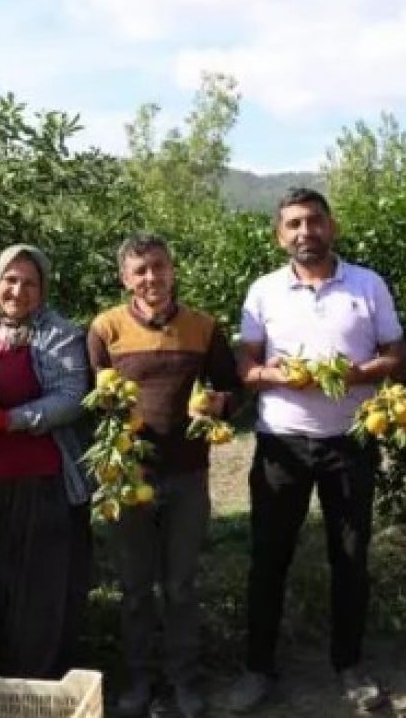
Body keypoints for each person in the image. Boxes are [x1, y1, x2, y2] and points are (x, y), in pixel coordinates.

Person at [226, 188, 406, 714]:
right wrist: (279, 376)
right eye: (293, 225)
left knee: (350, 559)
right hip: (281, 445)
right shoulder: (263, 292)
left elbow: (397, 355)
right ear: (279, 235)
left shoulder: (367, 284)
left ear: (332, 226)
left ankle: (349, 666)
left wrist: (356, 374)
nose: (304, 232)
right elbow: (246, 369)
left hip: (349, 442)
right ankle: (258, 669)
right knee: (268, 559)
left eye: (313, 221)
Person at [86, 232, 241, 718]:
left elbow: (233, 390)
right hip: (128, 478)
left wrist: (220, 404)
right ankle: (138, 681)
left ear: (172, 269)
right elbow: (88, 401)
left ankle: (185, 681)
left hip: (188, 476)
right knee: (134, 589)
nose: (151, 277)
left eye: (159, 266)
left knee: (180, 586)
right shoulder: (105, 329)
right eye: (140, 270)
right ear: (124, 278)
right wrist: (107, 410)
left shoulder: (202, 327)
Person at [0, 243, 93, 680]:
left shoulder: (60, 334)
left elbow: (70, 399)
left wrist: (8, 420)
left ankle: (39, 683)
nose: (18, 290)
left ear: (43, 289)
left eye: (30, 283)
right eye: (10, 280)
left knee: (39, 588)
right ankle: (0, 673)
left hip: (38, 479)